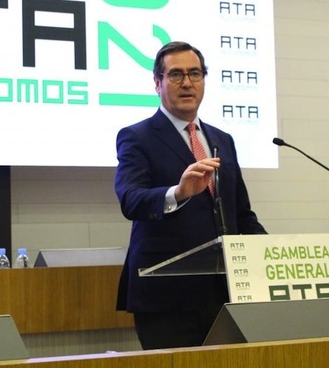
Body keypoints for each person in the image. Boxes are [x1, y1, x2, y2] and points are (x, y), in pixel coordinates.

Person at [114, 41, 267, 349]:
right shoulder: (137, 136)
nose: (187, 82)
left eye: (195, 73)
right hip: (166, 296)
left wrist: (273, 254)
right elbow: (131, 199)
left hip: (226, 292)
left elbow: (241, 214)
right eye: (175, 75)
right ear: (157, 82)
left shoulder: (222, 139)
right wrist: (178, 193)